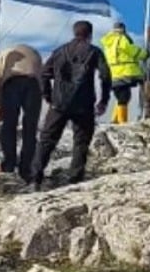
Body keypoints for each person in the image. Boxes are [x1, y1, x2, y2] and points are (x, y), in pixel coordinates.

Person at [31, 20, 111, 191]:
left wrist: (48, 96)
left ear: (74, 33)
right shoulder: (94, 51)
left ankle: (35, 179)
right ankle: (75, 179)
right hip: (84, 104)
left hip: (59, 103)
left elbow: (43, 74)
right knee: (81, 142)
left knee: (46, 140)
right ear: (90, 35)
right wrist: (103, 101)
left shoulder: (59, 51)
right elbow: (105, 76)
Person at [0, 43, 43, 181]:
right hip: (34, 84)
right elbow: (41, 78)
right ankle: (26, 168)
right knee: (30, 127)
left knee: (9, 125)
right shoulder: (35, 52)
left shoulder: (3, 55)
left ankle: (9, 164)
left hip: (12, 83)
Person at [100, 21, 147, 124]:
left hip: (113, 73)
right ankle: (122, 121)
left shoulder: (108, 41)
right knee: (124, 97)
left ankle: (115, 119)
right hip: (125, 71)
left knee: (120, 96)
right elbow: (130, 49)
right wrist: (144, 54)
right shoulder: (121, 38)